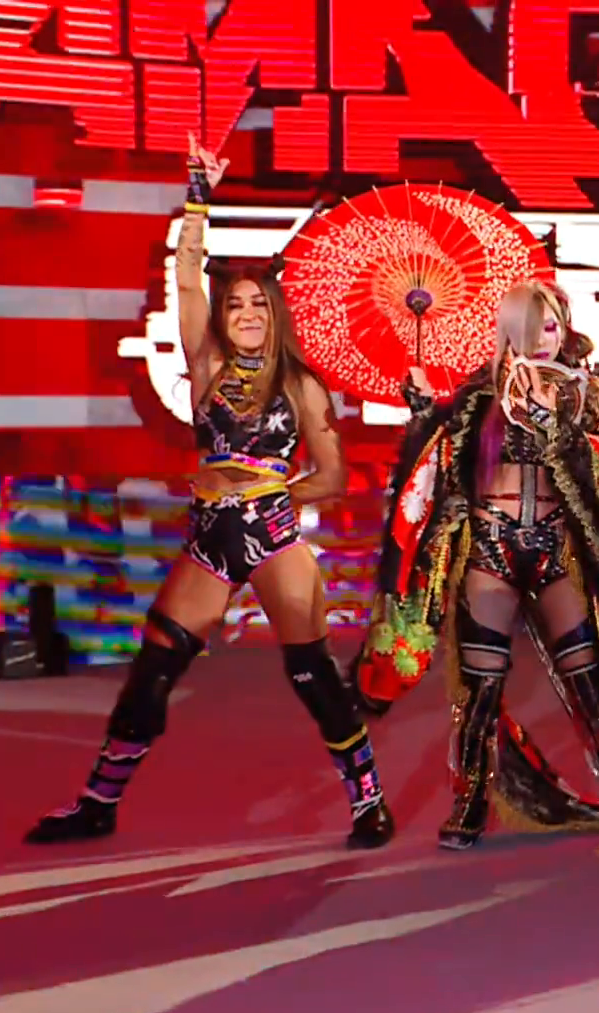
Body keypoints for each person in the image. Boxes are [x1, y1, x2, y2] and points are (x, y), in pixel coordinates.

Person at [25, 134, 394, 849]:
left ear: (275, 313)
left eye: (259, 304)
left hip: (273, 537)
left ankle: (369, 803)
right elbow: (188, 280)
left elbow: (332, 474)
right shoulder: (206, 367)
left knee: (312, 673)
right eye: (237, 305)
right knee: (153, 672)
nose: (248, 312)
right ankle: (98, 804)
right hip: (209, 540)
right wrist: (198, 196)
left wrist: (277, 489)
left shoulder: (301, 385)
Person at [352, 281, 599, 859]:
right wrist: (424, 414)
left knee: (591, 682)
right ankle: (470, 801)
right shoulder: (478, 397)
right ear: (509, 330)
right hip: (490, 547)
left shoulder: (586, 395)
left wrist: (554, 426)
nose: (544, 338)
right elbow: (441, 468)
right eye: (532, 326)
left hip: (557, 549)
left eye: (553, 325)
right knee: (481, 687)